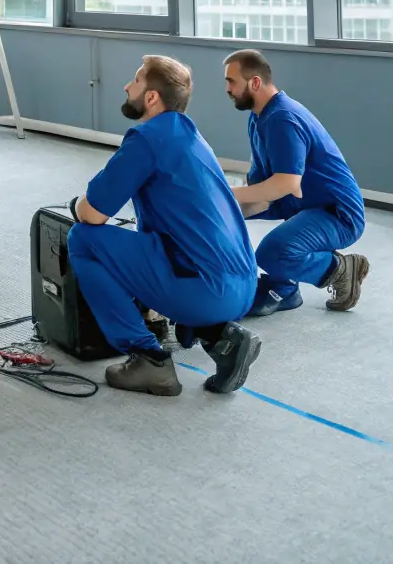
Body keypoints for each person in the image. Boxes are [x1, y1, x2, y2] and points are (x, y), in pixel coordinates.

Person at [67, 56, 261, 398]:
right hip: (243, 288)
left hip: (204, 291)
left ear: (152, 97)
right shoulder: (192, 136)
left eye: (136, 81)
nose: (128, 87)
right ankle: (222, 340)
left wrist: (81, 205)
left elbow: (92, 215)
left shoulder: (147, 139)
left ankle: (149, 359)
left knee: (83, 240)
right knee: (167, 248)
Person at [224, 49, 368, 318]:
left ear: (255, 82)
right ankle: (285, 287)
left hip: (338, 215)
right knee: (229, 215)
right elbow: (262, 192)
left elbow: (286, 183)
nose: (227, 89)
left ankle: (339, 269)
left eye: (231, 81)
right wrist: (223, 209)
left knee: (270, 254)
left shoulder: (282, 118)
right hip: (302, 205)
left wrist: (226, 194)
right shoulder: (257, 118)